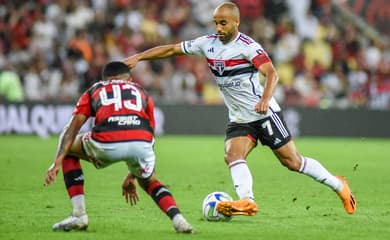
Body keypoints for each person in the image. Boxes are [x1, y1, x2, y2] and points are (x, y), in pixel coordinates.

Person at [124, 2, 356, 216]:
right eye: (215, 23)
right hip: (239, 117)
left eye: (223, 23)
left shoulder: (248, 46)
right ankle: (247, 200)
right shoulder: (207, 44)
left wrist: (266, 98)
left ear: (236, 23)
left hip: (263, 113)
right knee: (232, 155)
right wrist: (139, 57)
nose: (218, 27)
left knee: (293, 162)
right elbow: (172, 50)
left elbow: (272, 73)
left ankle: (339, 185)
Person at [44, 61, 195, 233]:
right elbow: (150, 133)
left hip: (106, 143)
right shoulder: (141, 92)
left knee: (69, 148)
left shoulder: (95, 89)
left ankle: (79, 214)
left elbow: (74, 126)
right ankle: (179, 220)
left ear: (105, 79)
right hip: (141, 142)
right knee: (150, 181)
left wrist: (57, 161)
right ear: (129, 79)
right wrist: (134, 174)